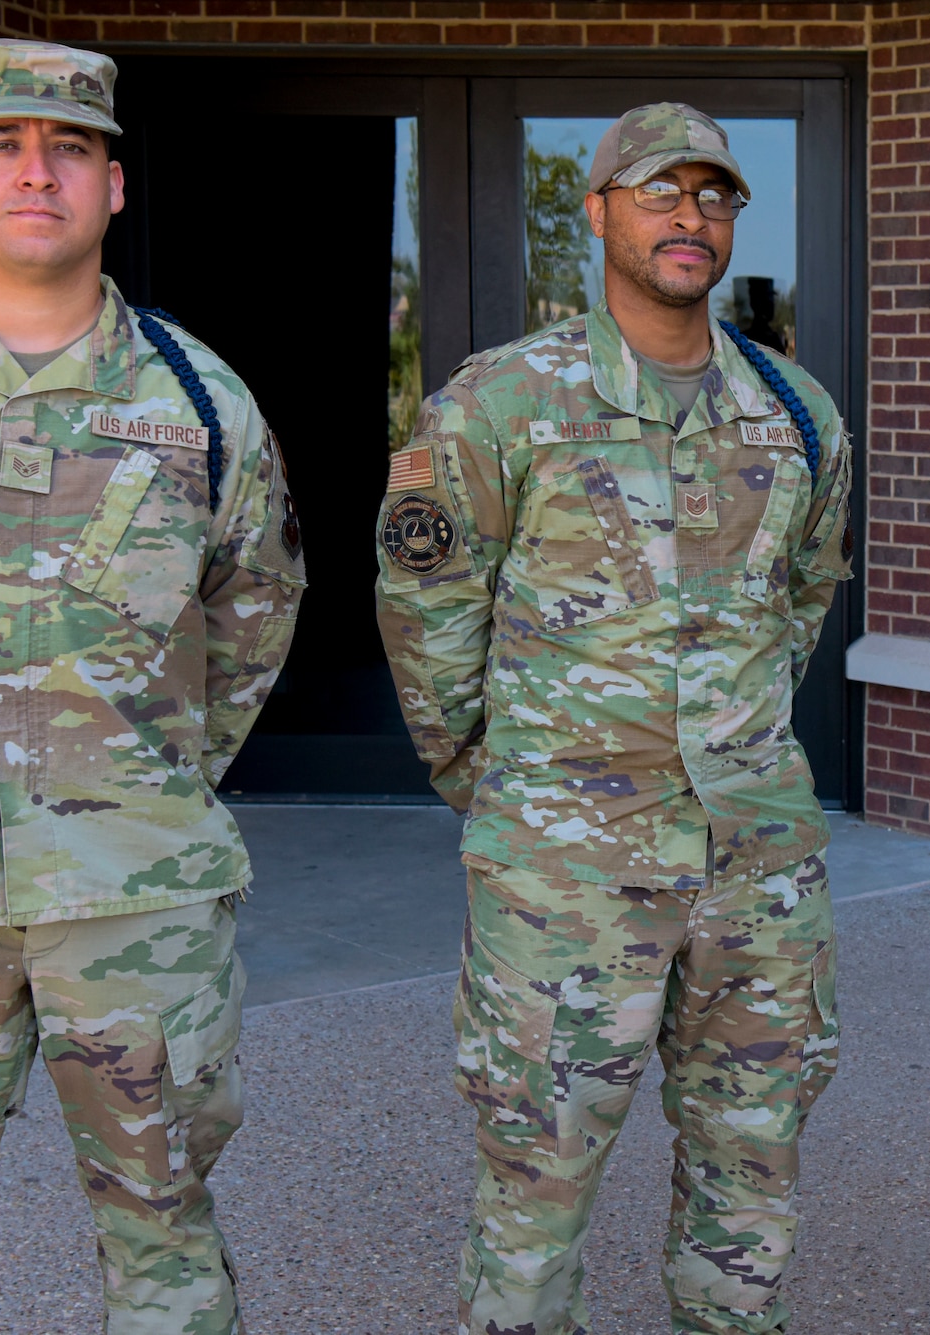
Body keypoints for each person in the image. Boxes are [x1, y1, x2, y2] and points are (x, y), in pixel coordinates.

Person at [0, 39, 303, 1335]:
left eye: (71, 148)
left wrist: (148, 783)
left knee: (164, 1235)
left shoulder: (203, 404)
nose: (36, 171)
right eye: (3, 145)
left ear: (112, 187)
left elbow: (257, 606)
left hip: (137, 906)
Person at [373, 103, 851, 1334]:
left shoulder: (796, 415)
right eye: (657, 191)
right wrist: (504, 782)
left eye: (714, 195)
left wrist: (730, 745)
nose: (688, 217)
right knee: (537, 1178)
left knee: (750, 1174)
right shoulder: (502, 403)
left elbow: (797, 608)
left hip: (754, 867)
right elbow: (428, 620)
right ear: (597, 214)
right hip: (565, 871)